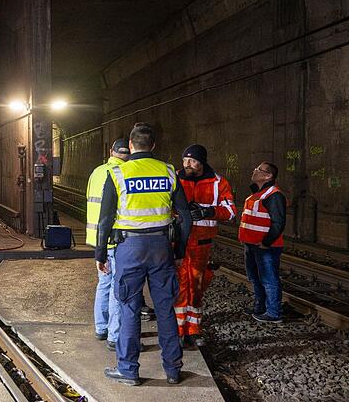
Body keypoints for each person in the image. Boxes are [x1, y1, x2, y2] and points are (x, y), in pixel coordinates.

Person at [96, 123, 192, 386]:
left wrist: (100, 254)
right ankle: (173, 370)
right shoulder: (168, 172)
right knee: (165, 308)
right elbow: (185, 217)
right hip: (161, 247)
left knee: (129, 308)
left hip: (129, 248)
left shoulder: (118, 173)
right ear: (153, 145)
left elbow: (105, 219)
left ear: (130, 145)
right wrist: (179, 251)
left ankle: (128, 370)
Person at [175, 144, 235, 347]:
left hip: (201, 244)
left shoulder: (218, 182)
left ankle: (193, 330)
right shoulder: (175, 177)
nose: (187, 164)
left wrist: (208, 212)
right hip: (179, 241)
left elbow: (231, 212)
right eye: (185, 160)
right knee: (179, 286)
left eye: (192, 161)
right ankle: (177, 330)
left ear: (202, 162)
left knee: (197, 286)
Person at [86, 138, 131, 347]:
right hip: (114, 238)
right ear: (129, 153)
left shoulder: (96, 172)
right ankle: (115, 335)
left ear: (111, 151)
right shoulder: (123, 173)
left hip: (97, 238)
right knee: (117, 287)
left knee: (103, 283)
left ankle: (101, 327)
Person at [238, 161, 286, 323]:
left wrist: (266, 242)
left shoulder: (274, 195)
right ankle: (260, 307)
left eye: (259, 170)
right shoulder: (257, 194)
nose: (255, 170)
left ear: (268, 176)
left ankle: (273, 313)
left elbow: (278, 222)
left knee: (269, 279)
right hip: (252, 245)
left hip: (265, 247)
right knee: (255, 277)